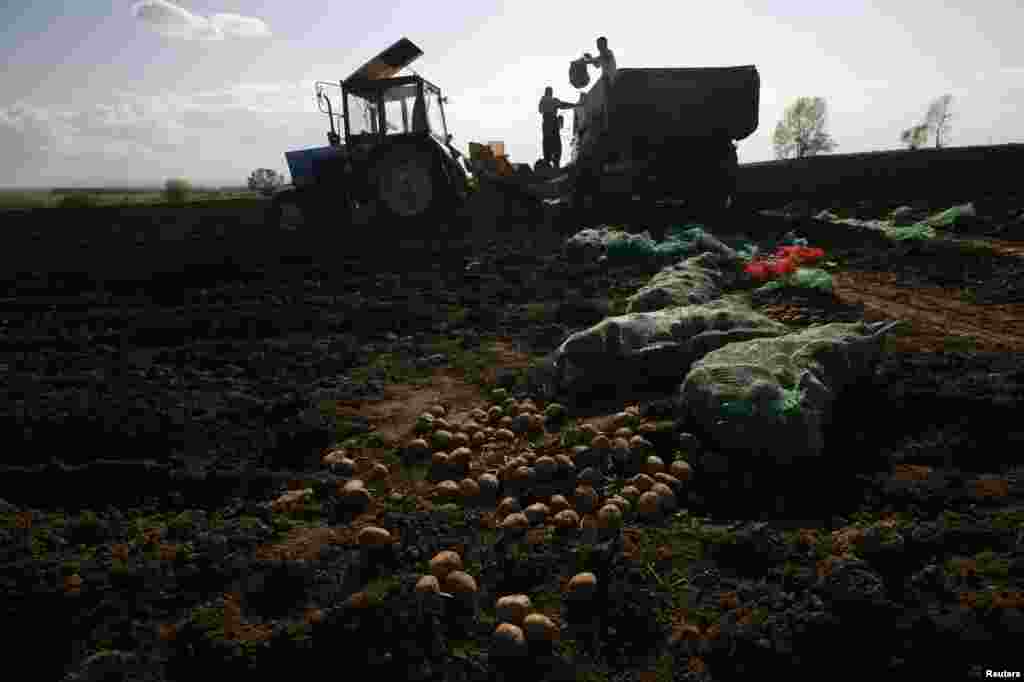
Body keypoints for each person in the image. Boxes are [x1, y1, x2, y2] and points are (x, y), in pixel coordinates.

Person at [538, 86, 575, 169]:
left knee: (547, 142)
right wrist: (575, 105)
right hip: (552, 122)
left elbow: (540, 110)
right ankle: (555, 163)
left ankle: (548, 162)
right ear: (550, 93)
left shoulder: (542, 101)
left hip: (546, 123)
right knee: (556, 144)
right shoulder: (551, 100)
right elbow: (563, 105)